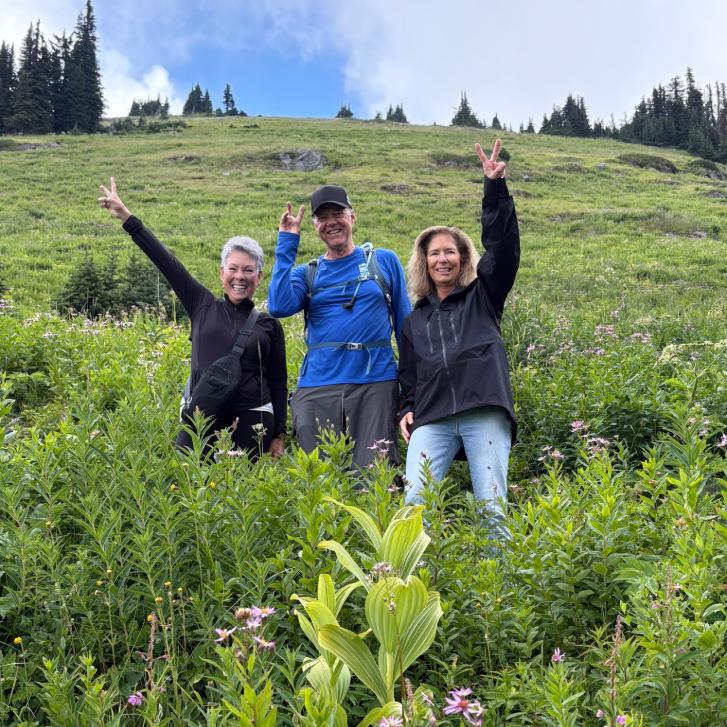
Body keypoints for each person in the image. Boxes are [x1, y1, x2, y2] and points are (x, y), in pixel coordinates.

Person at [98, 177, 287, 458]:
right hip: (202, 414)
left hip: (253, 418)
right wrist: (127, 217)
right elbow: (165, 261)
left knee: (246, 495)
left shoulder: (268, 325)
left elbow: (278, 382)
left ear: (259, 277)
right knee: (190, 484)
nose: (240, 277)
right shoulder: (202, 304)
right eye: (233, 269)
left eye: (248, 271)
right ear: (221, 273)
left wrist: (279, 435)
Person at [398, 140, 520, 529]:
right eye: (434, 253)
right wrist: (405, 408)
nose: (442, 259)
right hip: (433, 416)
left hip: (483, 408)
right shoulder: (414, 321)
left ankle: (498, 587)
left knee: (491, 505)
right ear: (424, 262)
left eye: (450, 251)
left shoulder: (483, 295)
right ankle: (416, 582)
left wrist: (494, 189)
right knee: (415, 500)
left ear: (463, 258)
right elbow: (409, 376)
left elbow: (503, 249)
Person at [268, 184, 411, 469]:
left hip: (375, 383)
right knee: (320, 483)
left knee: (375, 476)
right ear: (315, 225)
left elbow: (406, 330)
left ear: (352, 216)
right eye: (323, 217)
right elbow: (278, 306)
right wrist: (287, 242)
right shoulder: (307, 273)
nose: (331, 222)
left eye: (338, 213)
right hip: (317, 386)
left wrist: (410, 394)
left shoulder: (384, 261)